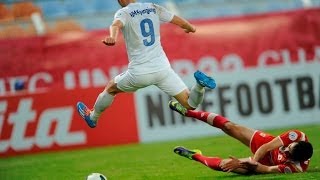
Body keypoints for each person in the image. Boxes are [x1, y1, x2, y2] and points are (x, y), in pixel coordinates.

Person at [76, 0, 216, 128]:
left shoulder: (123, 12)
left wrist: (112, 37)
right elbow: (176, 19)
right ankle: (199, 86)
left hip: (139, 73)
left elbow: (115, 25)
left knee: (111, 88)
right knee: (189, 104)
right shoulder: (152, 7)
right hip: (163, 70)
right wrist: (190, 27)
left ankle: (93, 117)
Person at [169, 101, 313, 174]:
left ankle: (195, 155)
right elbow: (266, 147)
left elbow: (267, 170)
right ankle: (188, 113)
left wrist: (250, 164)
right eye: (288, 147)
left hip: (266, 163)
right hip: (267, 144)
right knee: (229, 127)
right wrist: (254, 160)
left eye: (288, 153)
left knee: (224, 165)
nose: (285, 150)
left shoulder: (295, 168)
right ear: (294, 142)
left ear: (295, 159)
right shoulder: (297, 135)